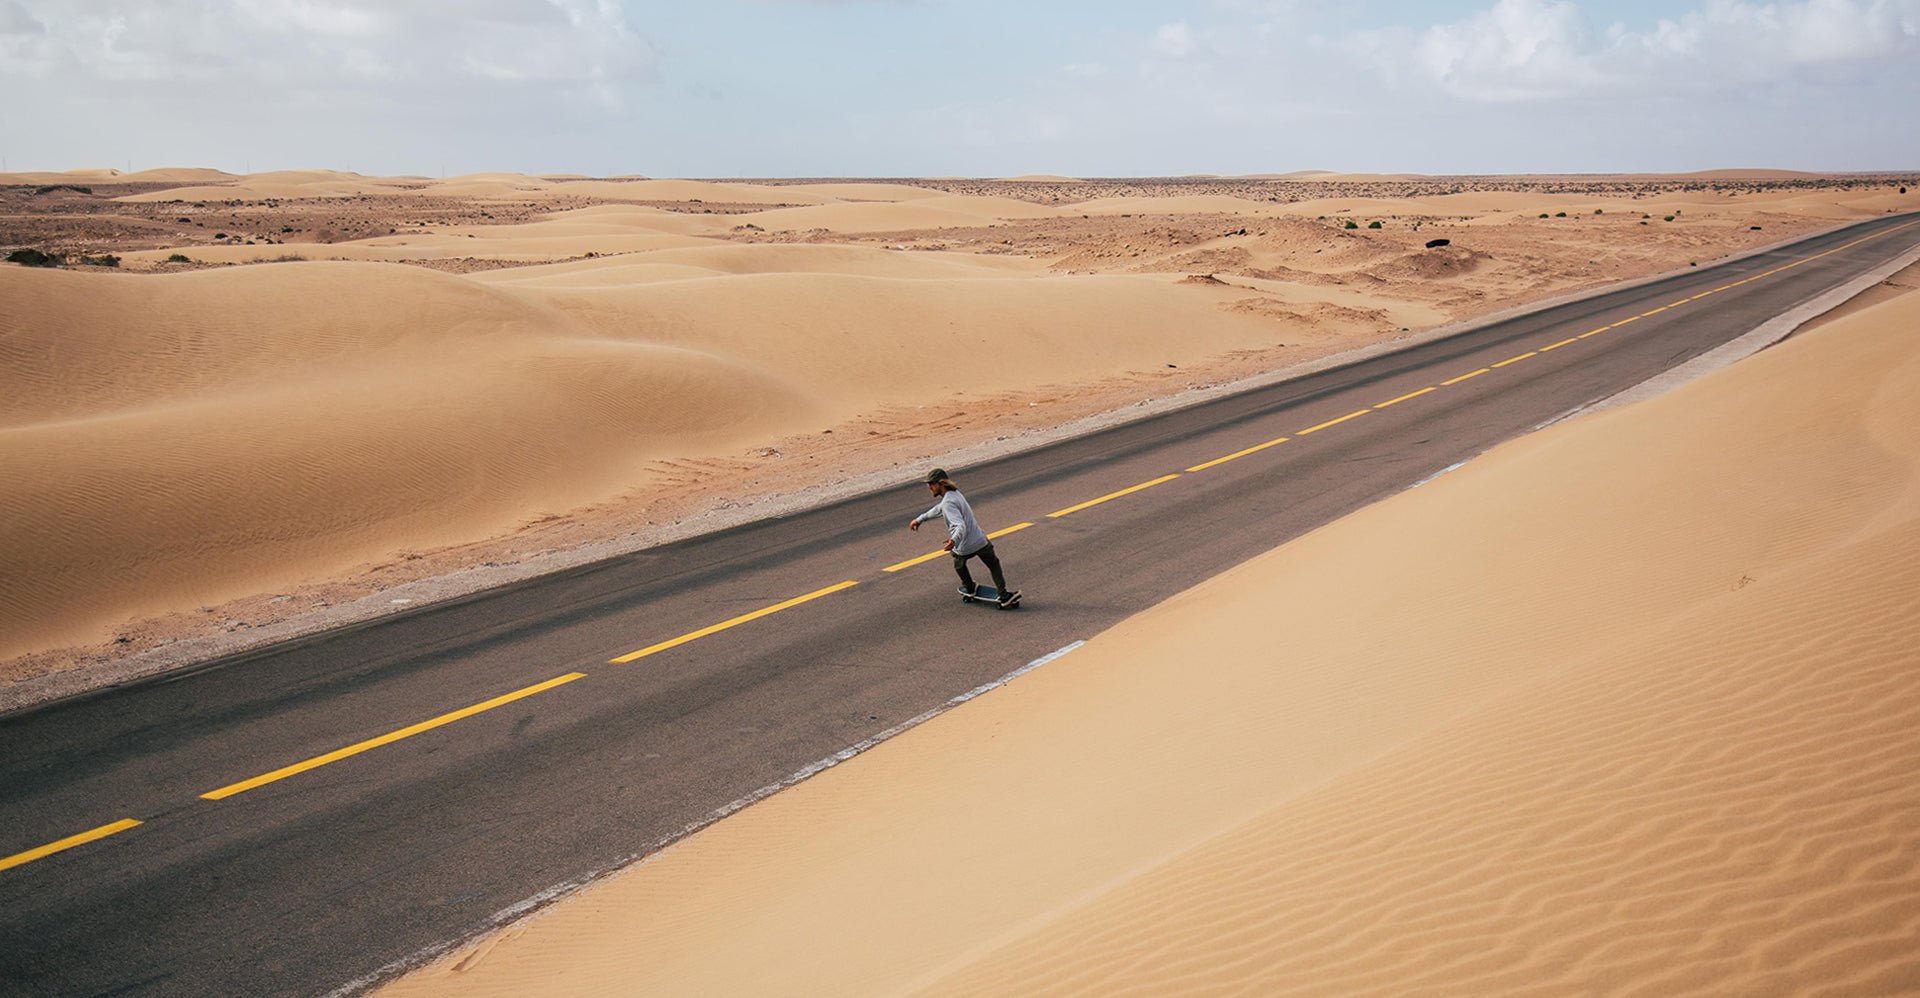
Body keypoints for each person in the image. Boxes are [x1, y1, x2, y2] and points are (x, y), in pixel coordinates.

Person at [908, 468, 1020, 606]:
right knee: (993, 564)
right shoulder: (955, 494)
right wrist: (920, 519)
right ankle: (1003, 595)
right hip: (980, 540)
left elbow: (960, 525)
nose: (929, 487)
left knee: (958, 562)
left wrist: (954, 540)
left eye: (932, 484)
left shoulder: (948, 502)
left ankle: (970, 587)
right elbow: (939, 509)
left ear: (941, 484)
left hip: (965, 545)